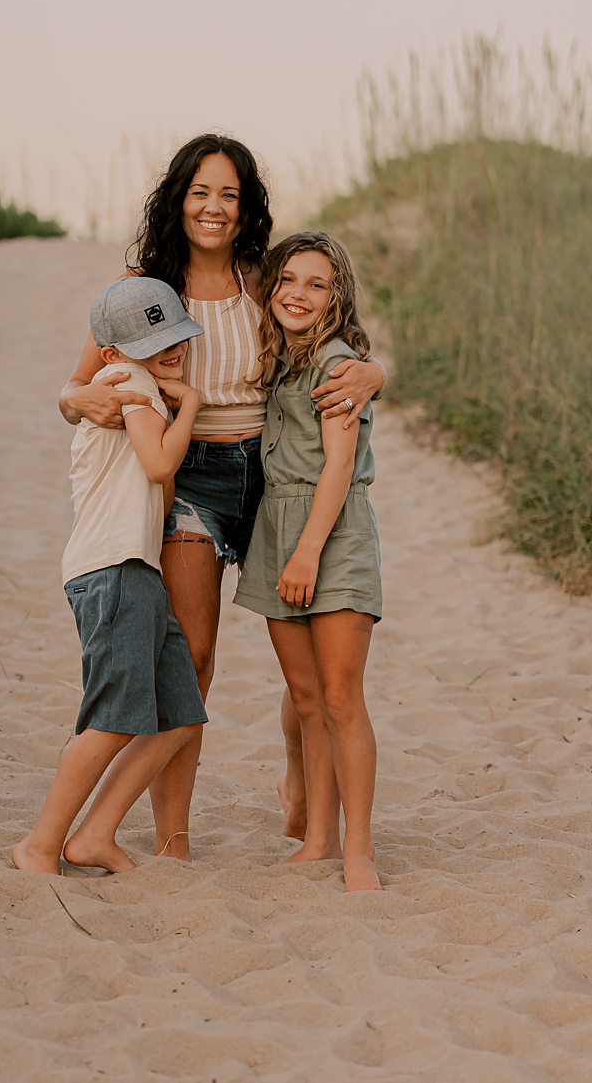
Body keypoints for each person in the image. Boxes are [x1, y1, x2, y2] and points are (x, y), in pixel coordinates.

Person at [58, 135, 387, 861]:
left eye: (229, 194)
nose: (214, 207)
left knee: (304, 673)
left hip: (272, 476)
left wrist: (374, 373)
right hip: (190, 479)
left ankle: (301, 785)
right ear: (179, 200)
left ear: (247, 208)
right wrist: (76, 396)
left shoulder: (261, 275)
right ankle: (173, 839)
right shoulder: (145, 286)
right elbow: (75, 385)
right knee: (196, 656)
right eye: (201, 192)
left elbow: (332, 323)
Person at [13, 278, 208, 874]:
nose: (170, 350)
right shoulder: (131, 382)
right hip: (112, 567)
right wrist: (192, 405)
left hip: (135, 567)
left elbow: (158, 479)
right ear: (113, 352)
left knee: (179, 716)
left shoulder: (138, 384)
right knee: (111, 719)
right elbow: (158, 466)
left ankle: (95, 834)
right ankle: (41, 844)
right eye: (154, 341)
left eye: (175, 336)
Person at [231, 232, 386, 891]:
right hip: (276, 528)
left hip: (332, 532)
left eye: (316, 283)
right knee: (305, 696)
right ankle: (318, 836)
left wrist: (306, 552)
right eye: (288, 278)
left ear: (337, 296)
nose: (298, 292)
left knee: (342, 694)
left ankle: (359, 851)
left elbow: (340, 465)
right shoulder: (277, 356)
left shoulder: (336, 363)